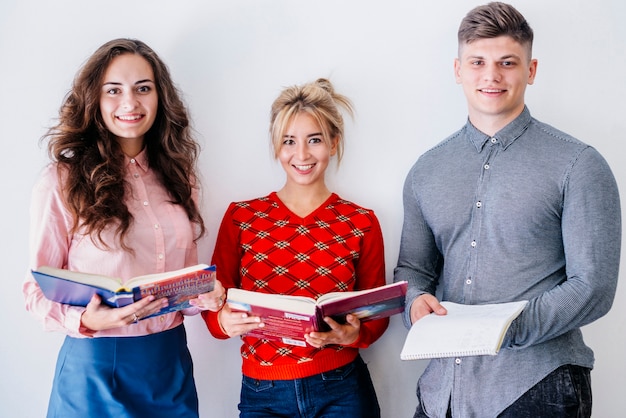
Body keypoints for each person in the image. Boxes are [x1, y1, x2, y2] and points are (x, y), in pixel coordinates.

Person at [393, 2, 621, 417]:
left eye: (507, 62)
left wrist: (503, 329)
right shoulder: (426, 170)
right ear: (458, 69)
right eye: (477, 61)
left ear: (530, 70)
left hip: (538, 389)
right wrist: (414, 301)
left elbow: (594, 287)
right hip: (441, 392)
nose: (491, 75)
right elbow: (413, 269)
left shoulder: (579, 165)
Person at [23, 38, 226, 418]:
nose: (130, 103)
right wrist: (84, 320)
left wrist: (205, 295)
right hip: (96, 366)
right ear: (94, 100)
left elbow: (183, 280)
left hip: (170, 364)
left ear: (160, 97)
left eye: (143, 89)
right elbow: (36, 289)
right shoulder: (61, 181)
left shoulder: (181, 178)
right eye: (113, 90)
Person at [202, 78, 388, 417]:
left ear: (333, 143)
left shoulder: (361, 221)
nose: (301, 155)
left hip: (342, 389)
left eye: (313, 140)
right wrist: (222, 322)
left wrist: (351, 335)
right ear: (276, 146)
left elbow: (377, 315)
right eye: (289, 141)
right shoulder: (241, 218)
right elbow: (213, 302)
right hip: (263, 393)